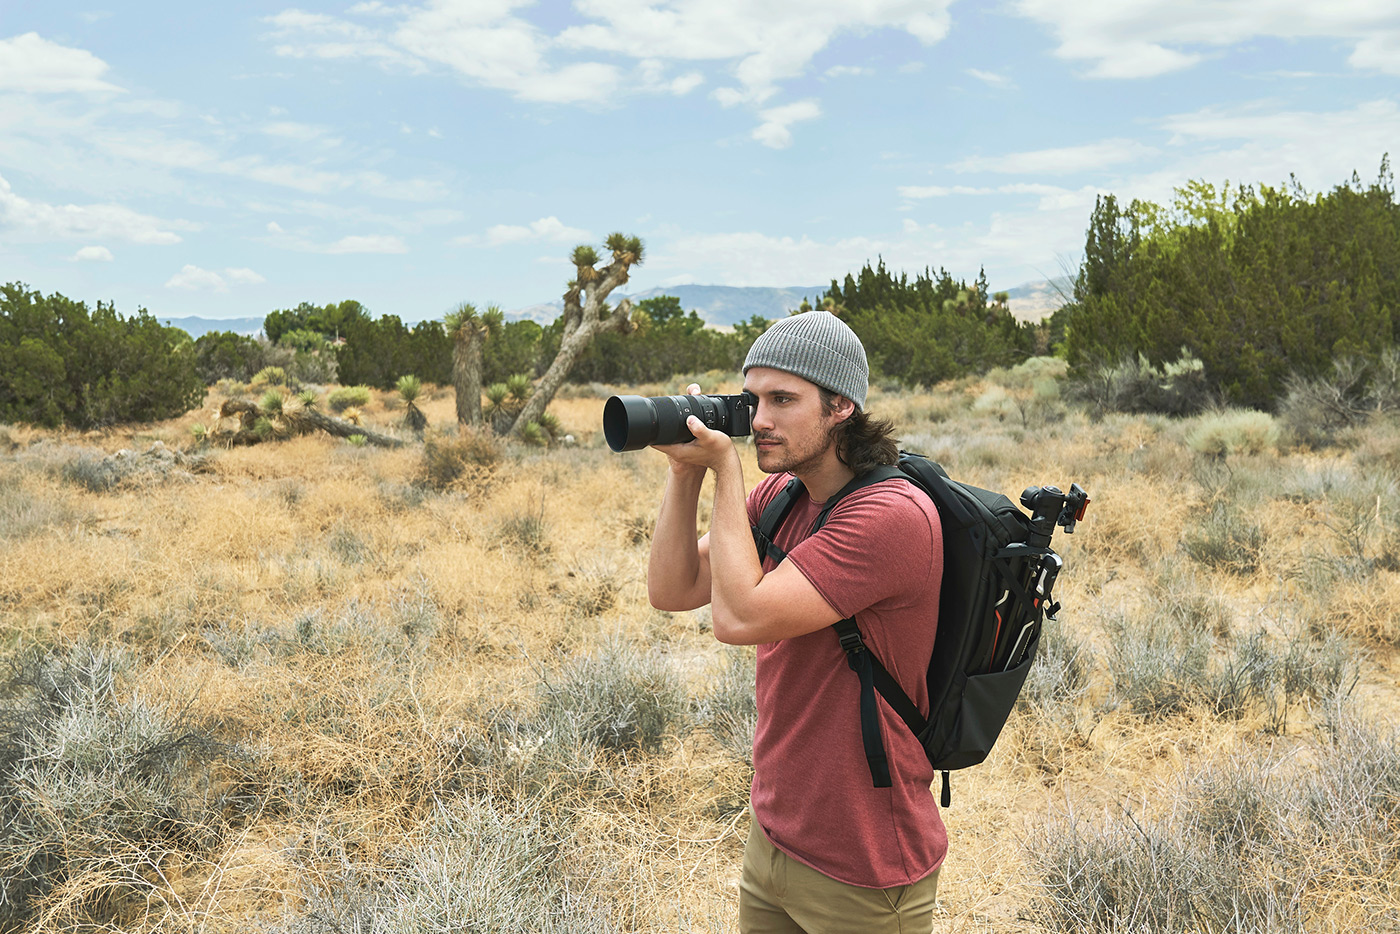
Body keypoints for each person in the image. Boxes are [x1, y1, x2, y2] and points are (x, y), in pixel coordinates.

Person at [646, 311, 945, 934]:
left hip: (863, 861)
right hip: (777, 833)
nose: (758, 421)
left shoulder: (891, 516)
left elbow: (737, 617)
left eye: (783, 400)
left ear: (841, 407)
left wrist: (726, 469)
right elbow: (674, 590)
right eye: (752, 399)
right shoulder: (781, 496)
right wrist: (685, 473)